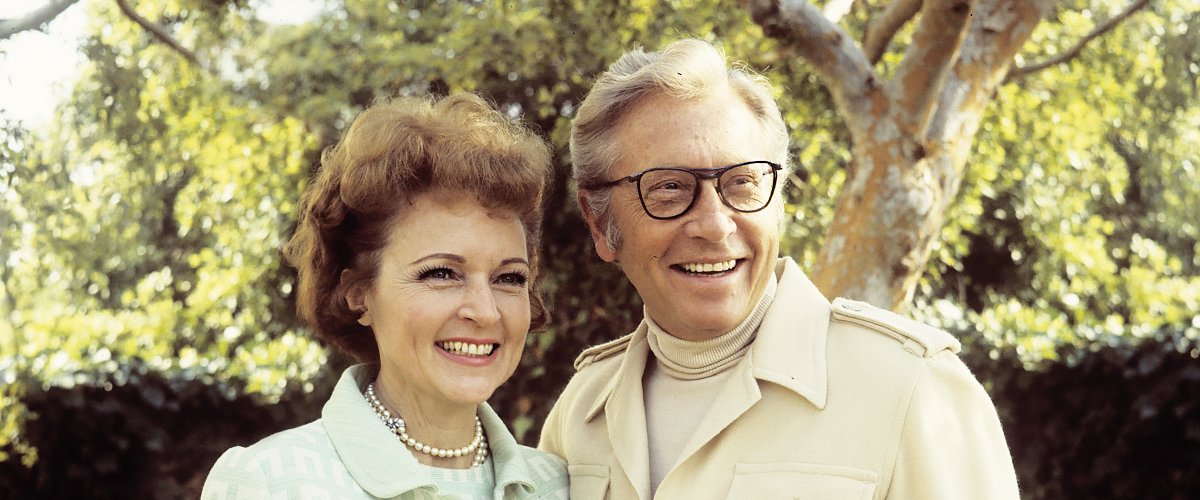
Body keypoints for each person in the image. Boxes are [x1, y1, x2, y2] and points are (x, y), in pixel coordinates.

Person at [538, 38, 1020, 499]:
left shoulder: (913, 387)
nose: (714, 224)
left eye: (743, 182)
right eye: (668, 188)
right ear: (600, 224)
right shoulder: (579, 414)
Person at [203, 93, 569, 499]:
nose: (485, 311)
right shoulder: (269, 482)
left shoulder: (561, 485)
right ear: (359, 293)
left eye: (510, 278)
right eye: (442, 273)